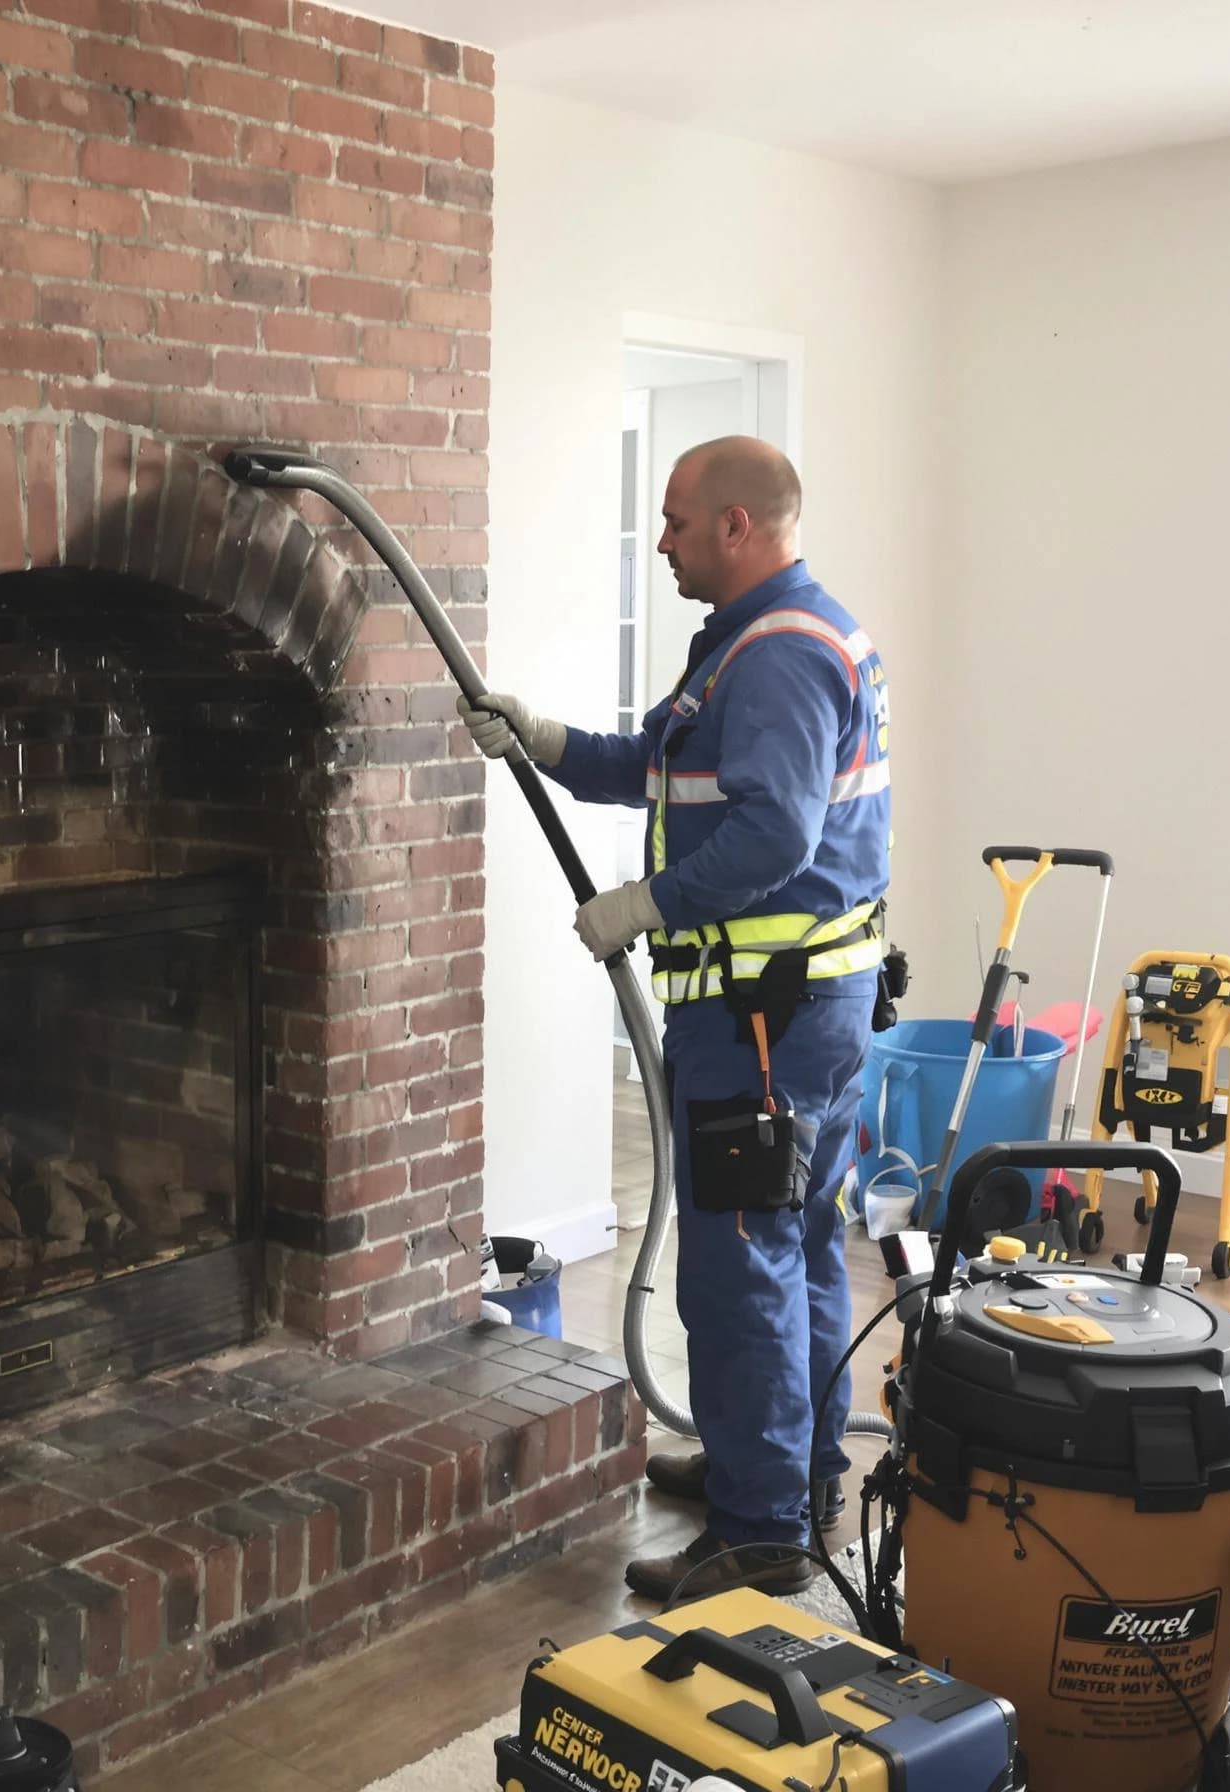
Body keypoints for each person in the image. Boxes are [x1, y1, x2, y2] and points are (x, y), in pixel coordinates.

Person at [458, 436, 892, 1602]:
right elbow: (656, 763)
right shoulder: (755, 643)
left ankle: (760, 1537)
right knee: (793, 1248)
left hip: (765, 1019)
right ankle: (786, 1479)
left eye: (675, 521)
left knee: (738, 1267)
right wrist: (540, 740)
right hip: (796, 1012)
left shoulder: (779, 661)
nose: (660, 542)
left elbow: (774, 837)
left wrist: (641, 905)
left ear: (738, 526)